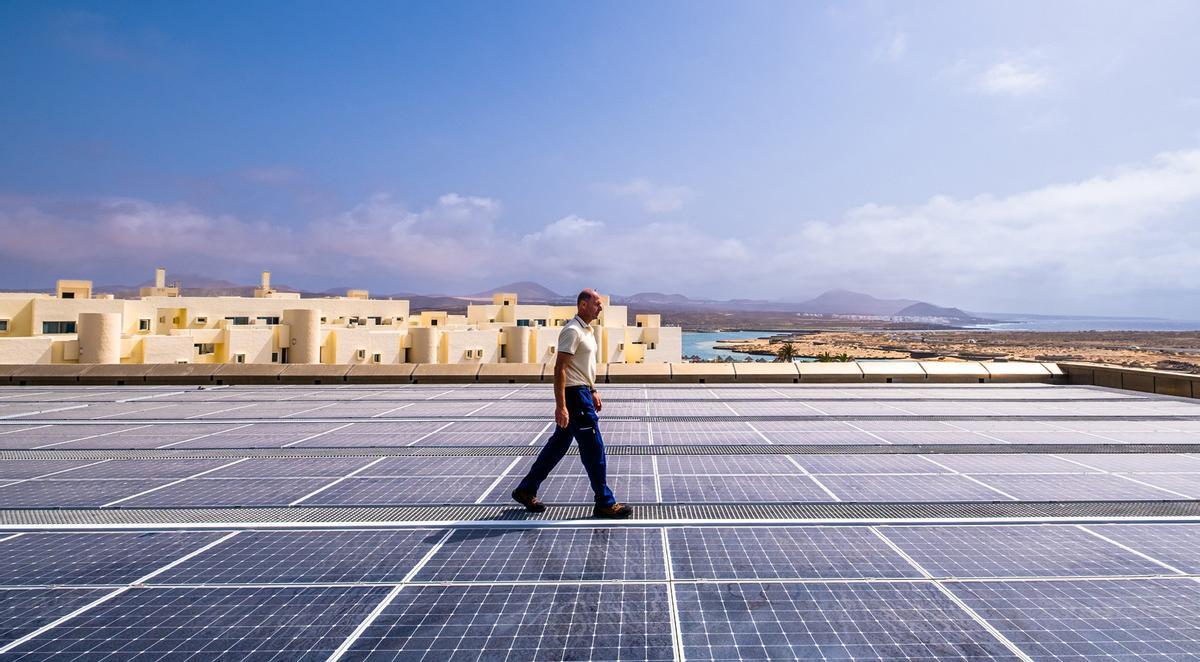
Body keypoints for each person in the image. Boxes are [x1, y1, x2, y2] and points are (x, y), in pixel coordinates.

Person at [512, 288, 632, 518]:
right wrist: (561, 405)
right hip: (575, 397)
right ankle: (605, 502)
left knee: (557, 445)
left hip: (583, 392)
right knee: (594, 449)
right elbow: (560, 369)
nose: (600, 307)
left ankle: (526, 489)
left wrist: (593, 388)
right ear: (582, 305)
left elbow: (582, 366)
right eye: (597, 303)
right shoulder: (572, 331)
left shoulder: (587, 331)